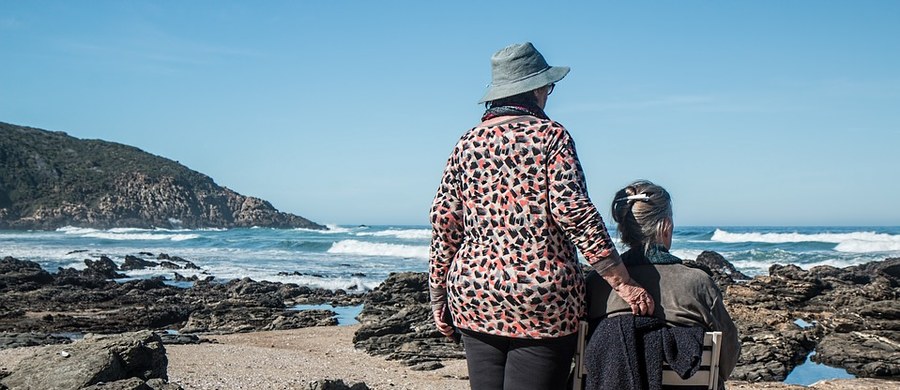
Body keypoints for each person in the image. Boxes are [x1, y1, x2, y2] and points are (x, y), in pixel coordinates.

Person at [429, 42, 656, 390]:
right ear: (536, 88)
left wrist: (438, 295)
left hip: (474, 293)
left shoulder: (467, 143)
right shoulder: (551, 137)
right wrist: (622, 281)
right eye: (548, 87)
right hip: (542, 300)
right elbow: (574, 212)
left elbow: (445, 222)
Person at [584, 180, 740, 389]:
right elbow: (727, 355)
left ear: (623, 229)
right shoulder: (697, 282)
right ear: (665, 226)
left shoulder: (596, 283)